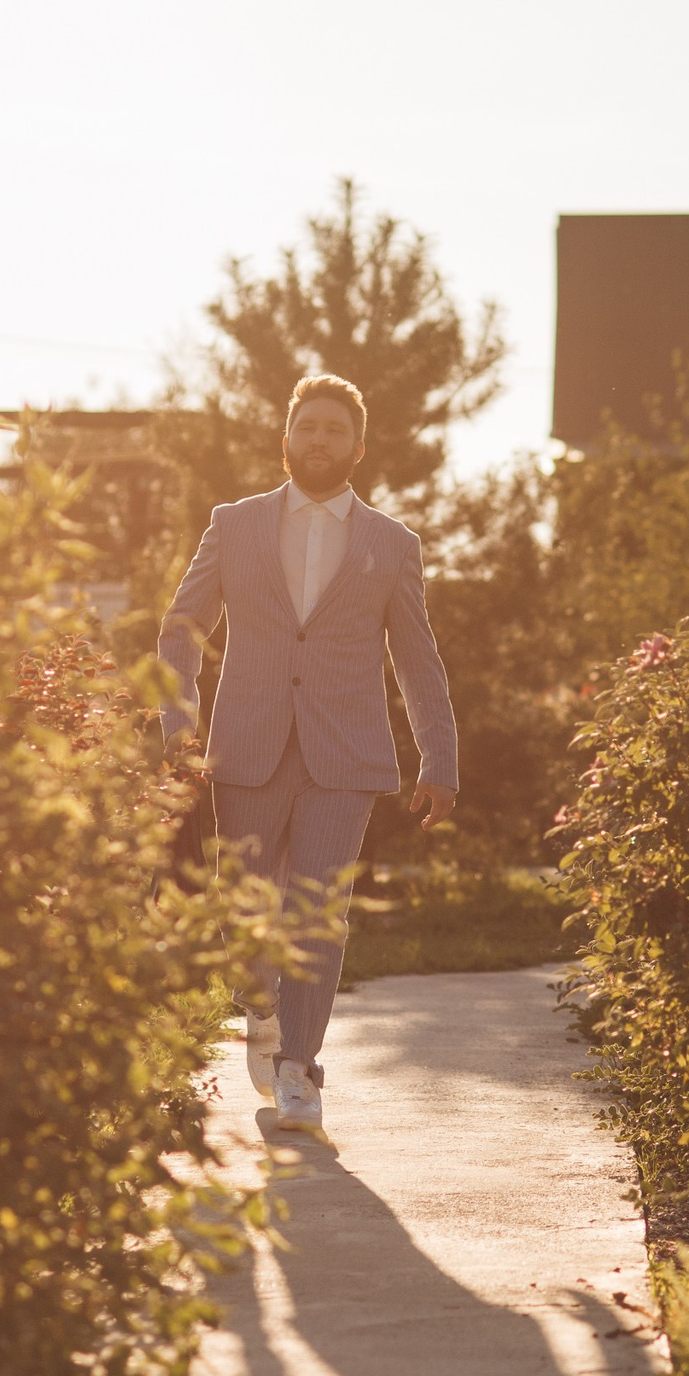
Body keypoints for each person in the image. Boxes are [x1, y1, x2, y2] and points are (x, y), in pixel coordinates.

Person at [156, 374, 460, 1135]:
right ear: (284, 439)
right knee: (245, 911)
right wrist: (178, 721)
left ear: (358, 447)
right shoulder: (234, 524)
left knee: (318, 915)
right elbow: (180, 627)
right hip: (246, 748)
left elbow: (417, 659)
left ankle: (300, 1071)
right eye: (308, 427)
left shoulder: (393, 545)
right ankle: (259, 1008)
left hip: (346, 756)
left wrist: (439, 757)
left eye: (335, 430)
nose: (319, 440)